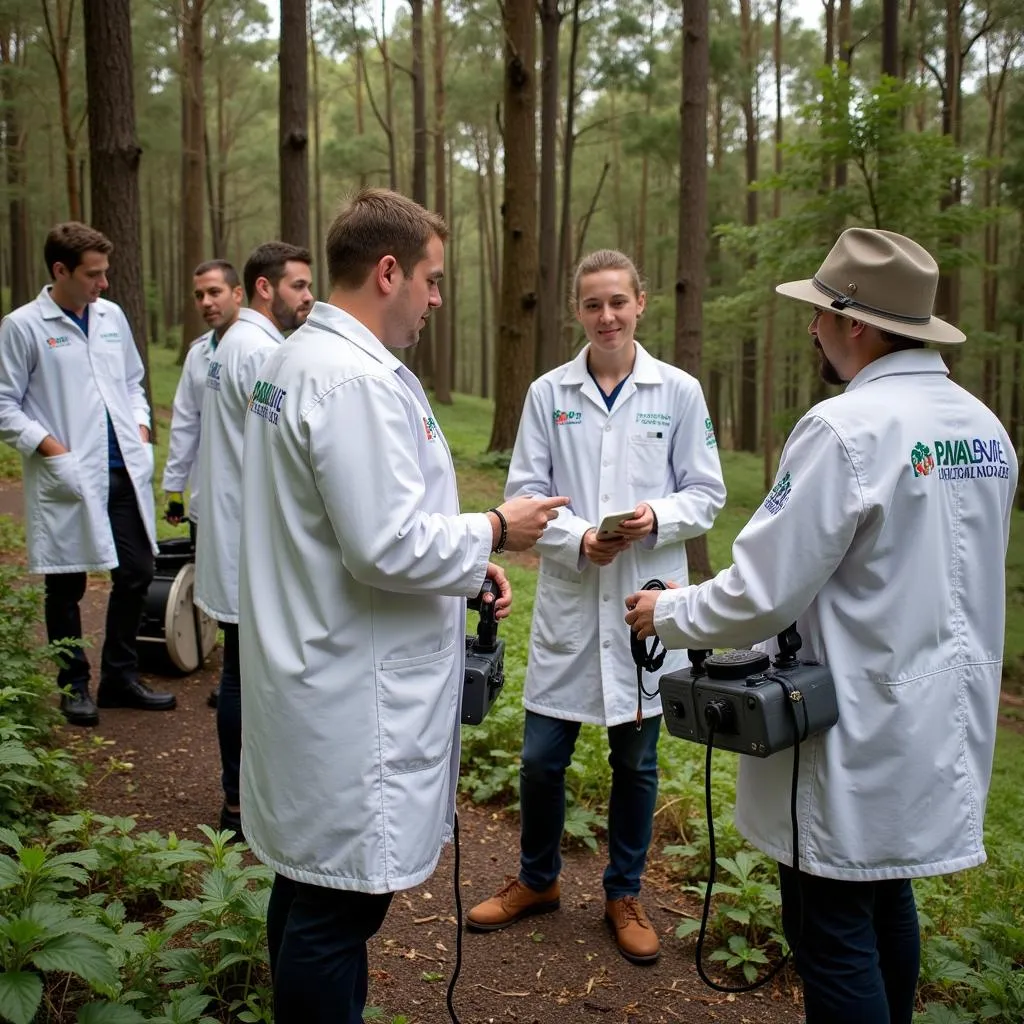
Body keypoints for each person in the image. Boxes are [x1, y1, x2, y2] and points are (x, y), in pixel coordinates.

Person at [624, 228, 1018, 1022]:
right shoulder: (985, 429)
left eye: (820, 315)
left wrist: (666, 609)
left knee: (829, 924)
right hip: (940, 719)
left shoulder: (845, 429)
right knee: (883, 894)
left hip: (852, 727)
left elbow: (762, 594)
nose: (811, 328)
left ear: (857, 324)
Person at [237, 187, 570, 1024]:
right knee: (337, 909)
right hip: (350, 692)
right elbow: (384, 544)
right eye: (431, 278)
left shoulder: (300, 360)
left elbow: (344, 523)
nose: (436, 297)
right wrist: (497, 528)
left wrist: (464, 572)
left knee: (311, 888)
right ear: (389, 271)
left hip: (314, 660)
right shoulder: (352, 382)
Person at [467, 249, 726, 965]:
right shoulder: (548, 393)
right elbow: (523, 494)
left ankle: (624, 893)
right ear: (577, 312)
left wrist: (655, 516)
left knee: (636, 765)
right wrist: (578, 535)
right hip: (572, 605)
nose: (606, 315)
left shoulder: (678, 392)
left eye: (618, 301)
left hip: (644, 608)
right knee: (542, 757)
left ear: (642, 302)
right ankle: (538, 879)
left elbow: (706, 494)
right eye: (592, 304)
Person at [0, 222, 176, 727]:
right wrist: (52, 450)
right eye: (93, 275)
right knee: (66, 583)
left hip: (122, 467)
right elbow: (5, 404)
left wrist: (141, 430)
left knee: (137, 570)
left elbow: (134, 383)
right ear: (61, 271)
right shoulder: (24, 326)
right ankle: (72, 684)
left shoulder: (112, 316)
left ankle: (119, 676)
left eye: (105, 273)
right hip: (70, 474)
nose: (104, 284)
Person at [193, 241, 313, 836]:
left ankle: (242, 797)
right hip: (248, 538)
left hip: (232, 529)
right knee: (243, 673)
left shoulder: (233, 344)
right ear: (265, 288)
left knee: (240, 669)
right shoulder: (262, 353)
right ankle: (240, 802)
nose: (308, 297)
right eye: (298, 286)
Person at [162, 259, 243, 541]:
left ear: (237, 294)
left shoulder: (259, 351)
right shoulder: (197, 354)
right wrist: (174, 487)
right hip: (205, 498)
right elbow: (185, 422)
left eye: (214, 292)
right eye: (199, 296)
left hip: (249, 502)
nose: (206, 302)